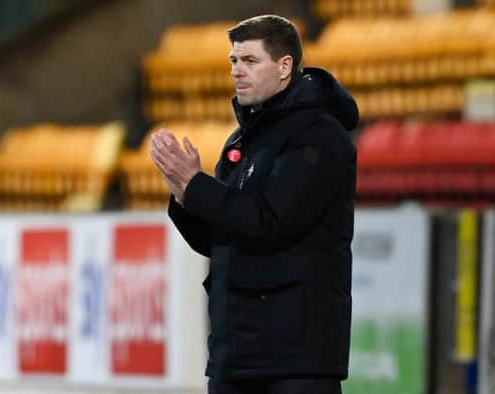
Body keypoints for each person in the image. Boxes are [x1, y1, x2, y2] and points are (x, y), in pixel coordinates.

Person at [150, 14, 358, 394]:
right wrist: (184, 196)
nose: (237, 72)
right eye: (233, 61)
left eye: (249, 61)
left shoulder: (318, 136)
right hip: (237, 353)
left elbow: (270, 221)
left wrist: (198, 186)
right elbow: (221, 238)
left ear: (284, 67)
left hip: (296, 359)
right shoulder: (240, 141)